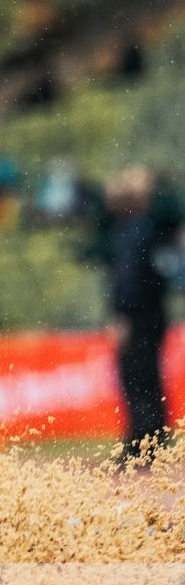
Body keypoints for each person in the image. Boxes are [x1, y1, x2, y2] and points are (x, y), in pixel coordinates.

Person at [105, 169, 173, 465]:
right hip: (153, 316)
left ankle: (142, 444)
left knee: (137, 380)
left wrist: (122, 315)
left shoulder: (129, 233)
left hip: (137, 319)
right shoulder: (146, 229)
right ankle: (151, 441)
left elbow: (128, 280)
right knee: (149, 380)